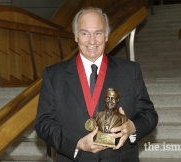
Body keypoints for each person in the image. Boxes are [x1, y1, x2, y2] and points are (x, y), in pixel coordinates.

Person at [35, 7, 158, 162]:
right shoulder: (53, 75)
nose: (92, 41)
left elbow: (149, 115)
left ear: (106, 36)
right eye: (85, 33)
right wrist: (77, 144)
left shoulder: (130, 71)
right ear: (76, 36)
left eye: (98, 33)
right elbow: (43, 123)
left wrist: (132, 127)